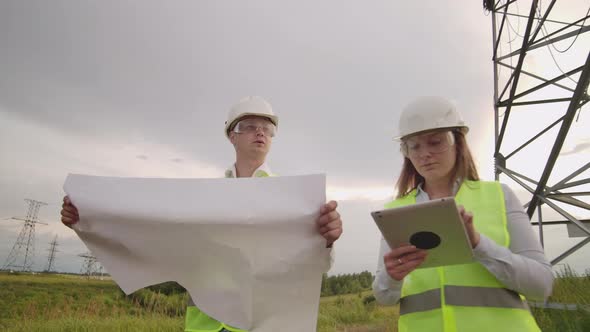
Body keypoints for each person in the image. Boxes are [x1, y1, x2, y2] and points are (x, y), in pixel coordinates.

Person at [61, 96, 343, 332]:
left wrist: (326, 241)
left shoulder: (293, 201)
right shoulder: (203, 202)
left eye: (267, 129)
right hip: (204, 325)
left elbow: (316, 266)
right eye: (249, 126)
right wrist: (87, 219)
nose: (260, 132)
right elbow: (151, 230)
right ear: (232, 136)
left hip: (260, 324)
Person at [372, 96, 553, 332]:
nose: (424, 153)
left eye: (435, 142)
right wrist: (391, 277)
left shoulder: (499, 196)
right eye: (413, 146)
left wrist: (479, 245)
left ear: (458, 142)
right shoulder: (395, 213)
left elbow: (542, 286)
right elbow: (384, 297)